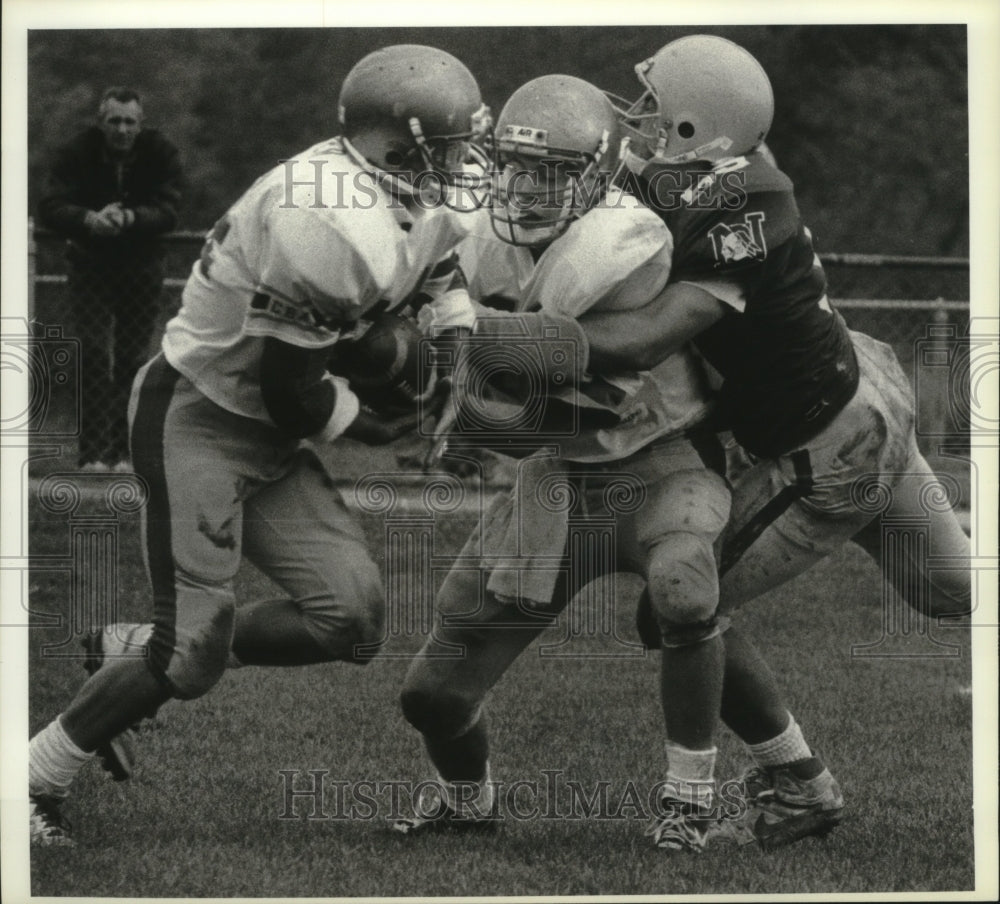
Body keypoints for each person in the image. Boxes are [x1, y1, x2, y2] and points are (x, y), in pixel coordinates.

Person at [28, 44, 490, 846]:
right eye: (449, 144)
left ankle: (135, 645)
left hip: (269, 427)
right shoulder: (326, 216)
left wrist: (451, 343)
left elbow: (438, 259)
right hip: (199, 415)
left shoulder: (398, 186)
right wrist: (373, 421)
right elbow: (291, 388)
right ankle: (32, 779)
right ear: (397, 142)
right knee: (189, 660)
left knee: (351, 620)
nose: (465, 162)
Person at [583, 34, 971, 846]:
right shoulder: (729, 164)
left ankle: (801, 787)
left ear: (700, 132)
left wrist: (501, 335)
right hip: (861, 389)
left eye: (659, 109)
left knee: (676, 610)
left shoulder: (734, 214)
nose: (641, 119)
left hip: (830, 446)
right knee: (959, 592)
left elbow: (649, 337)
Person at [393, 74, 739, 853]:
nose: (527, 185)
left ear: (594, 176)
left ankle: (689, 799)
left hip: (654, 460)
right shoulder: (472, 227)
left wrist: (463, 344)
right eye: (515, 164)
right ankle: (466, 801)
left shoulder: (626, 243)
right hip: (556, 478)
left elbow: (578, 390)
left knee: (683, 590)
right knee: (432, 694)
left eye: (553, 171)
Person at [38, 87, 183, 471]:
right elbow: (51, 204)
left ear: (141, 124)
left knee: (134, 360)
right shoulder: (76, 152)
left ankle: (124, 452)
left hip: (142, 267)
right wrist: (89, 219)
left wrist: (131, 218)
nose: (122, 129)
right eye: (114, 121)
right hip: (91, 265)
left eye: (129, 122)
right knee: (93, 353)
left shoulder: (161, 153)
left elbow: (170, 208)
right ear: (101, 123)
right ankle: (91, 456)